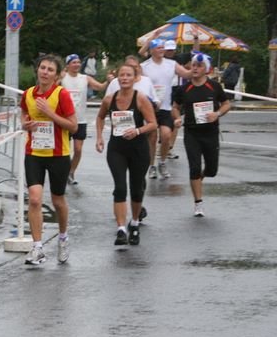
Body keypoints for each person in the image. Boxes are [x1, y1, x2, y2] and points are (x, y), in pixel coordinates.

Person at [20, 54, 78, 265]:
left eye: (50, 70)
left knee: (57, 201)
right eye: (42, 68)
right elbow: (24, 116)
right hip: (34, 153)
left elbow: (73, 126)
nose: (45, 72)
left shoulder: (61, 95)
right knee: (35, 199)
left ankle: (62, 238)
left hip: (58, 155)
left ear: (56, 75)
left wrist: (50, 113)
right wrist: (25, 125)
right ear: (37, 70)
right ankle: (37, 247)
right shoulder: (27, 94)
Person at [95, 64, 157, 245]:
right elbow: (100, 117)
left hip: (138, 149)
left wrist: (137, 131)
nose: (124, 78)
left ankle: (135, 223)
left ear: (134, 77)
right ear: (117, 78)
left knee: (137, 188)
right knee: (120, 188)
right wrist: (99, 137)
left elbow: (152, 123)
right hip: (117, 149)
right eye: (121, 75)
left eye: (128, 75)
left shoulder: (140, 99)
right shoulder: (109, 99)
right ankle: (121, 229)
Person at [171, 53, 231, 217]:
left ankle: (198, 179)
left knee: (211, 170)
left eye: (199, 66)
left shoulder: (214, 86)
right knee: (194, 167)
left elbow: (226, 104)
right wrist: (176, 119)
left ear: (206, 69)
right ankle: (198, 203)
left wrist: (217, 114)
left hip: (211, 134)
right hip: (192, 134)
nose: (195, 68)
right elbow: (175, 107)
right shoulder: (184, 89)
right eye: (193, 66)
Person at [140, 39, 192, 181]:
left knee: (166, 135)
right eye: (158, 48)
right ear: (151, 50)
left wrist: (197, 68)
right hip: (150, 107)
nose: (162, 50)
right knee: (152, 138)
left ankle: (162, 162)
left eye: (163, 47)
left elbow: (186, 75)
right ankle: (151, 166)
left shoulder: (171, 64)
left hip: (165, 107)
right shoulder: (145, 66)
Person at [61, 53, 114, 185]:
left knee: (78, 149)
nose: (77, 64)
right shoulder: (62, 77)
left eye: (78, 62)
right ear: (67, 65)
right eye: (74, 62)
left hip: (80, 120)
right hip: (65, 120)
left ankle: (71, 172)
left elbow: (100, 87)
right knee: (64, 150)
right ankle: (63, 172)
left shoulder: (85, 78)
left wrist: (108, 80)